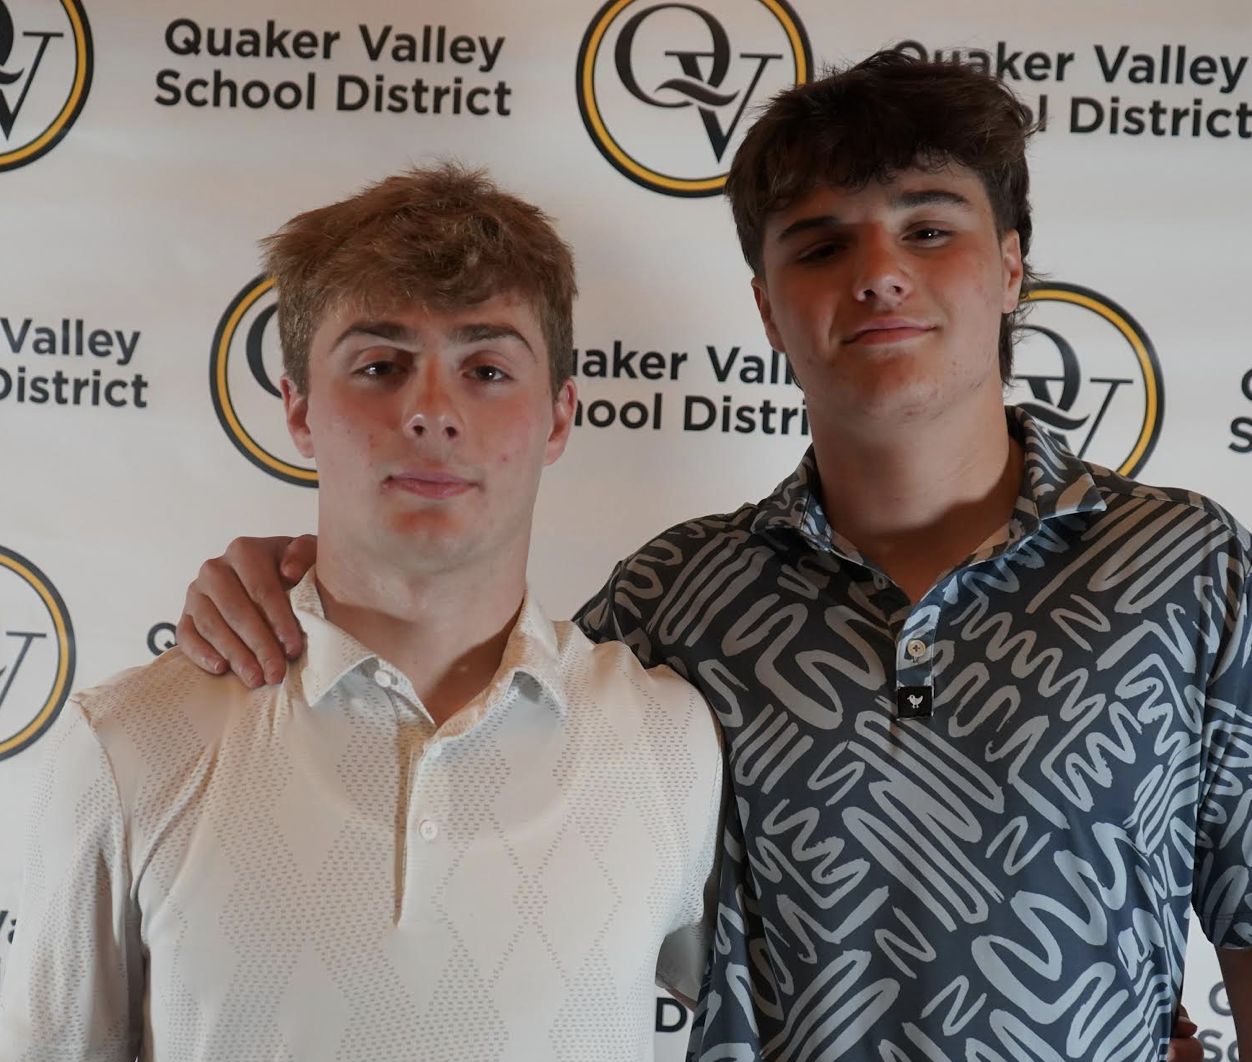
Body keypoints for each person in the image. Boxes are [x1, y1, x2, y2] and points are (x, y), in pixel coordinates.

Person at [171, 53, 1252, 1062]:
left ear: (1012, 266)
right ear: (765, 305)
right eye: (820, 246)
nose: (879, 276)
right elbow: (454, 703)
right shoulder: (672, 601)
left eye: (930, 228)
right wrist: (292, 581)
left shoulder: (1185, 570)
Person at [0, 164, 724, 1062]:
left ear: (558, 417)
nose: (432, 412)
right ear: (299, 409)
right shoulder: (128, 745)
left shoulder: (672, 743)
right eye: (381, 366)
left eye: (487, 369)